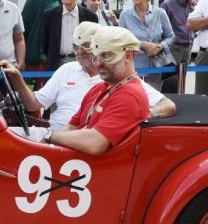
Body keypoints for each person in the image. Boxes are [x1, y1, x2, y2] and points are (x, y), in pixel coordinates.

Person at [0, 22, 175, 131]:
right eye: (77, 46)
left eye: (86, 45)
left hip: (88, 142)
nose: (79, 51)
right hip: (59, 133)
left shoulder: (117, 80)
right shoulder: (67, 69)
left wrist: (135, 119)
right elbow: (33, 104)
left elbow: (167, 105)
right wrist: (16, 77)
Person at [39, 26, 152, 155]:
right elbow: (72, 126)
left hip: (98, 169)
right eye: (97, 56)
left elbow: (95, 143)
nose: (98, 63)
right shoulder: (99, 89)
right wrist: (45, 147)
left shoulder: (130, 95)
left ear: (127, 55)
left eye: (106, 55)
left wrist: (51, 137)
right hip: (79, 166)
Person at [119, 0, 176, 91]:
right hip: (133, 69)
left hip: (156, 68)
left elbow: (171, 36)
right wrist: (142, 44)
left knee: (153, 102)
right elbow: (121, 40)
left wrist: (160, 46)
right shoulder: (125, 15)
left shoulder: (160, 13)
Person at [42, 0, 97, 70]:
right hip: (58, 63)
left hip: (82, 62)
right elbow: (45, 42)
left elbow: (94, 41)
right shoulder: (49, 16)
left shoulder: (90, 16)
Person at [21, 0, 64, 70]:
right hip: (37, 58)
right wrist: (22, 58)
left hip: (59, 59)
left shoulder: (66, 3)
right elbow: (21, 32)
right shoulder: (33, 1)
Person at [160, 0, 196, 66]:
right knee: (172, 78)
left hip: (188, 48)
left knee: (182, 78)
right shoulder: (167, 5)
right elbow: (160, 30)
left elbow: (197, 27)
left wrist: (195, 11)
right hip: (173, 48)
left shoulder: (192, 5)